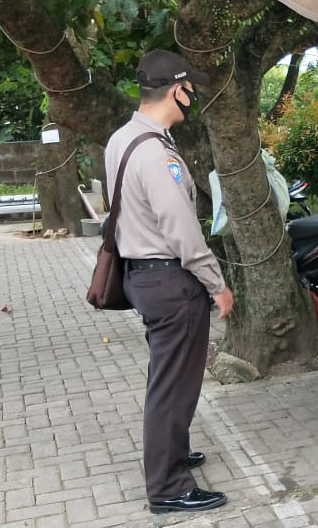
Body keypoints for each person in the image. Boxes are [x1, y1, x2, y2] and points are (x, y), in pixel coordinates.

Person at [104, 49, 234, 514]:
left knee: (169, 379)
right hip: (170, 280)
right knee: (174, 385)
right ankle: (168, 487)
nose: (193, 96)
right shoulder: (158, 153)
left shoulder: (122, 138)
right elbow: (181, 229)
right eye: (190, 88)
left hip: (144, 276)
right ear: (176, 90)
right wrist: (216, 283)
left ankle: (172, 454)